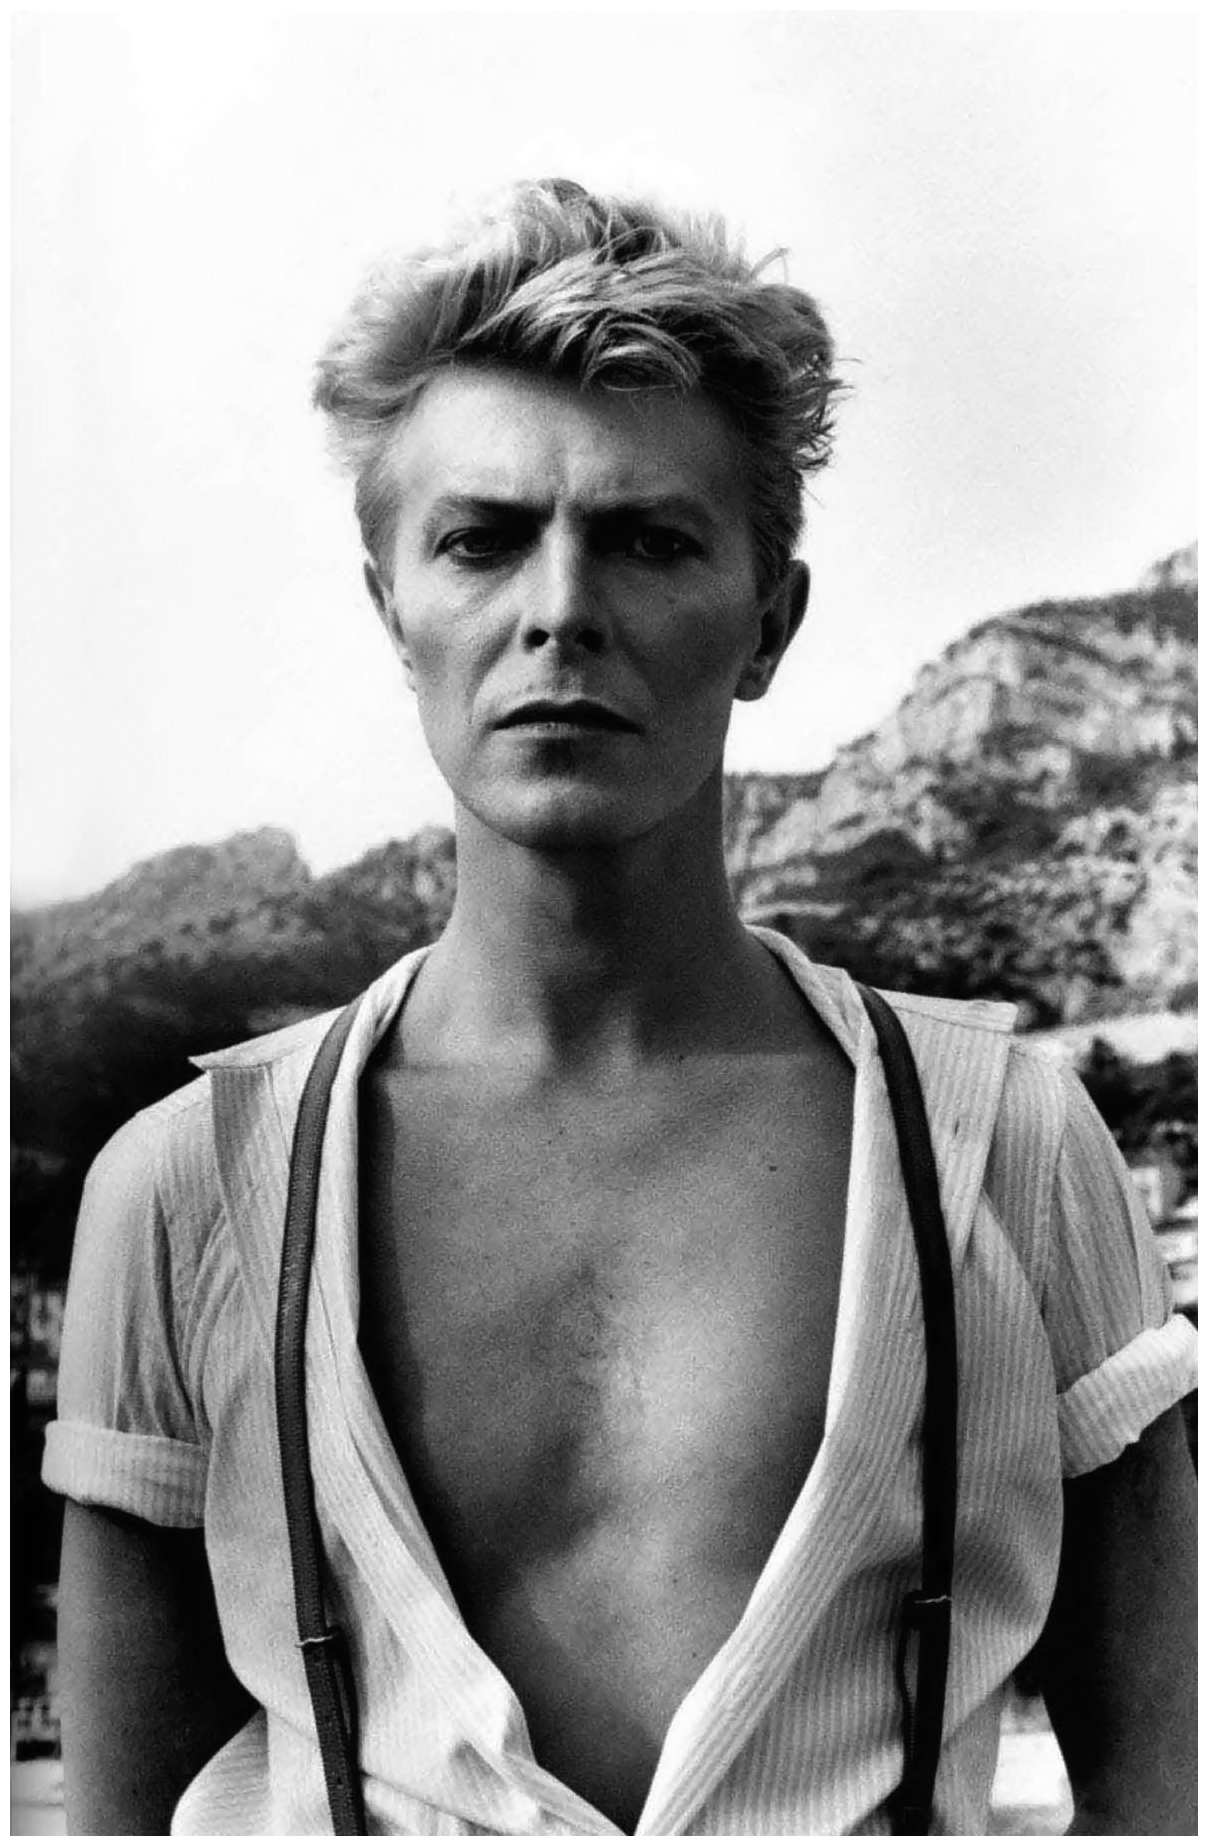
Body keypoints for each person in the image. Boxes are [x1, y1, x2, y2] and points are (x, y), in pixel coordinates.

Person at [46, 179, 1196, 1837]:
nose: (561, 608)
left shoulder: (1011, 1150)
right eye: (482, 539)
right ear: (393, 611)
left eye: (651, 539)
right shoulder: (187, 1192)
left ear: (769, 623)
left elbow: (1165, 1792)